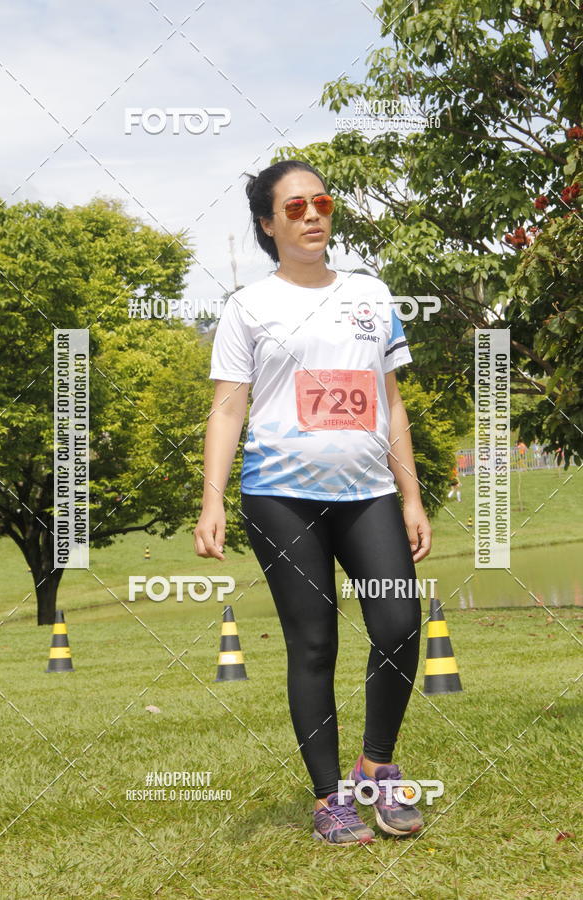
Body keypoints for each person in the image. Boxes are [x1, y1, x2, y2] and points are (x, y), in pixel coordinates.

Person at [194, 159, 432, 847]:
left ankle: (376, 767)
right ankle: (330, 798)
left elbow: (390, 402)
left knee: (397, 626)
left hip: (370, 494)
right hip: (281, 499)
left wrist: (411, 496)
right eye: (293, 208)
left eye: (321, 202)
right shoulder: (250, 306)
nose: (312, 215)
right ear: (268, 224)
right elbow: (227, 408)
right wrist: (212, 502)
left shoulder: (370, 294)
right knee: (314, 641)